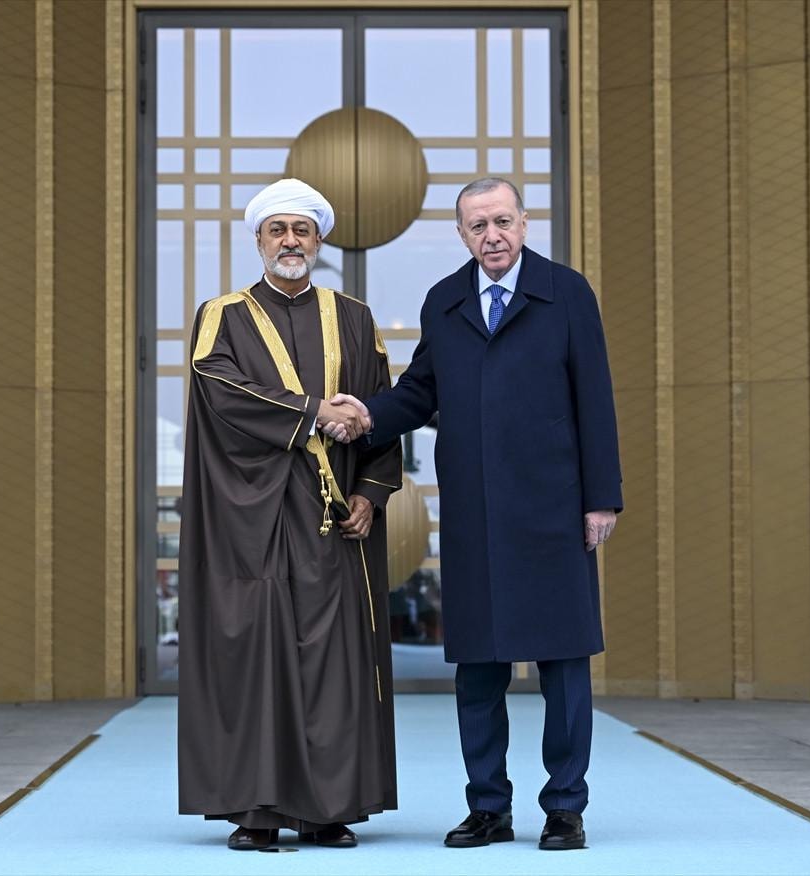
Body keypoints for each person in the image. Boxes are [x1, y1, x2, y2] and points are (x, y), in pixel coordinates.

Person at [329, 177, 622, 852]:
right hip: (474, 511)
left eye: (502, 222)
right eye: (478, 226)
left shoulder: (567, 293)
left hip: (552, 508)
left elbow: (595, 397)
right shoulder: (445, 301)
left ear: (524, 223)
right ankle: (488, 807)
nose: (492, 236)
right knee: (479, 668)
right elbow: (419, 391)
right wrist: (367, 416)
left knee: (563, 663)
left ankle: (565, 807)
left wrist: (601, 496)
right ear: (461, 235)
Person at [177, 179, 403, 851]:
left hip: (333, 523)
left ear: (319, 240)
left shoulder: (355, 318)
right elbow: (220, 389)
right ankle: (256, 811)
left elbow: (381, 410)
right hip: (253, 523)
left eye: (301, 230)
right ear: (258, 240)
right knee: (257, 660)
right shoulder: (222, 315)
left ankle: (329, 809)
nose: (290, 241)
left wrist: (372, 494)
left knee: (334, 664)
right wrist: (313, 413)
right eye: (277, 229)